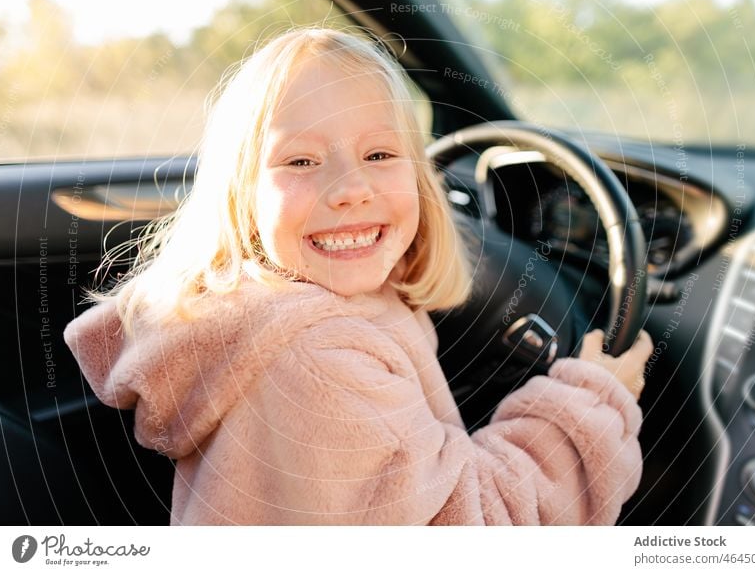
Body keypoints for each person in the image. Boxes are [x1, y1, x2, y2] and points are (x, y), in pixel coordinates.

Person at [63, 27, 654, 525]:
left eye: (379, 155)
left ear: (421, 180)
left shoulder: (264, 312)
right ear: (239, 197)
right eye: (300, 161)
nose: (350, 190)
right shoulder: (316, 358)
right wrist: (588, 403)